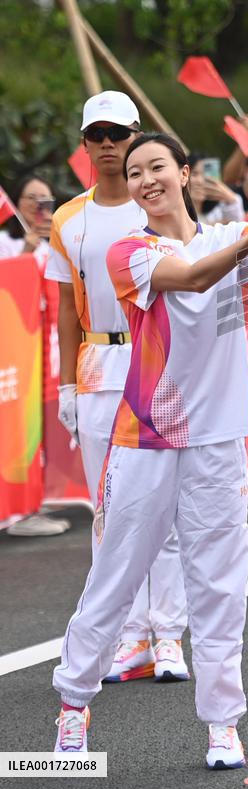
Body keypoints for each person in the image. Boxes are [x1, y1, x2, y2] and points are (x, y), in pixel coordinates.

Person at [52, 128, 248, 769]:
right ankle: (73, 707)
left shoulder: (227, 237)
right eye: (135, 173)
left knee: (219, 584)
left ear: (185, 172)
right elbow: (193, 280)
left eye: (156, 167)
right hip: (146, 437)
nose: (145, 181)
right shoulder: (129, 250)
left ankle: (223, 724)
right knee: (116, 574)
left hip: (217, 439)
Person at [46, 91, 190, 684]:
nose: (108, 145)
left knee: (167, 507)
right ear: (85, 144)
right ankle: (130, 637)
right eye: (97, 135)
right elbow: (65, 308)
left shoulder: (155, 208)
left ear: (135, 136)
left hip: (155, 362)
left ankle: (169, 634)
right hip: (97, 367)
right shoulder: (68, 219)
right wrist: (65, 386)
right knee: (110, 511)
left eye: (119, 134)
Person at [0, 175, 71, 537]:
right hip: (16, 351)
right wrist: (27, 252)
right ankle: (19, 510)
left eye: (47, 200)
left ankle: (41, 498)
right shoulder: (6, 243)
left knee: (46, 424)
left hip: (49, 351)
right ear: (16, 203)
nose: (41, 208)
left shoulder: (56, 247)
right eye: (32, 199)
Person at [0, 174, 54, 269]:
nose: (38, 204)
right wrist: (26, 251)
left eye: (44, 199)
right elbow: (5, 277)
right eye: (31, 197)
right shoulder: (3, 241)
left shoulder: (52, 247)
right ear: (17, 201)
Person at [187, 153, 244, 223]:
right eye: (194, 174)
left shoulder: (217, 213)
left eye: (205, 175)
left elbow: (237, 219)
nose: (200, 181)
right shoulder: (175, 210)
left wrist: (228, 196)